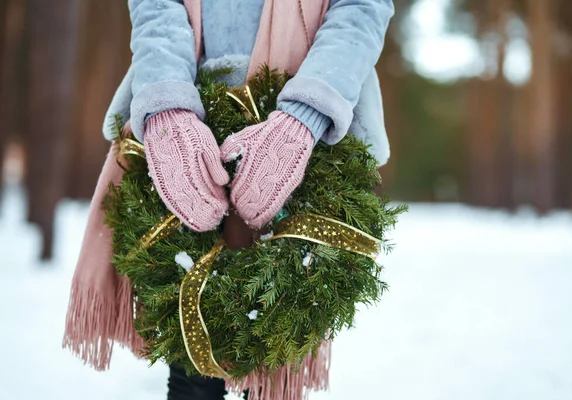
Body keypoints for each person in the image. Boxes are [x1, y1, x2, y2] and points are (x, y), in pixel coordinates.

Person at [73, 0, 394, 399]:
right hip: (193, 108)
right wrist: (167, 109)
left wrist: (303, 118)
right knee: (190, 363)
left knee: (273, 351)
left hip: (308, 130)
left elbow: (361, 9)